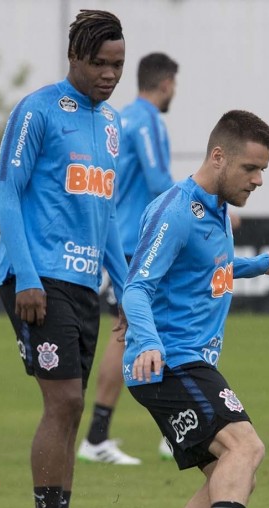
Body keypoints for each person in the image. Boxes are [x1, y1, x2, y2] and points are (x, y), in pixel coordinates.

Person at [124, 110, 269, 508]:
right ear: (218, 157)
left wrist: (255, 266)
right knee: (246, 448)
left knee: (231, 475)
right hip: (169, 362)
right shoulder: (177, 209)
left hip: (186, 361)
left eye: (263, 170)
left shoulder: (216, 206)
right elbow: (138, 286)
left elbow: (206, 268)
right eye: (251, 169)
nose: (259, 180)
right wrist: (149, 341)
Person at [0, 9, 129, 508]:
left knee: (69, 409)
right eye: (100, 63)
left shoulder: (113, 124)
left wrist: (128, 286)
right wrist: (25, 275)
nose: (109, 75)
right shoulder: (38, 110)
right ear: (75, 57)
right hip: (37, 277)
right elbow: (6, 190)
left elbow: (107, 216)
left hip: (82, 282)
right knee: (66, 401)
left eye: (118, 65)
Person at [77, 52, 180, 466]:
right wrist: (202, 206)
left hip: (117, 236)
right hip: (139, 243)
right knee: (132, 331)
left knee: (137, 329)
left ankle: (165, 431)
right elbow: (157, 181)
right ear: (167, 83)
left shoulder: (118, 118)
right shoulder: (149, 121)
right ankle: (103, 436)